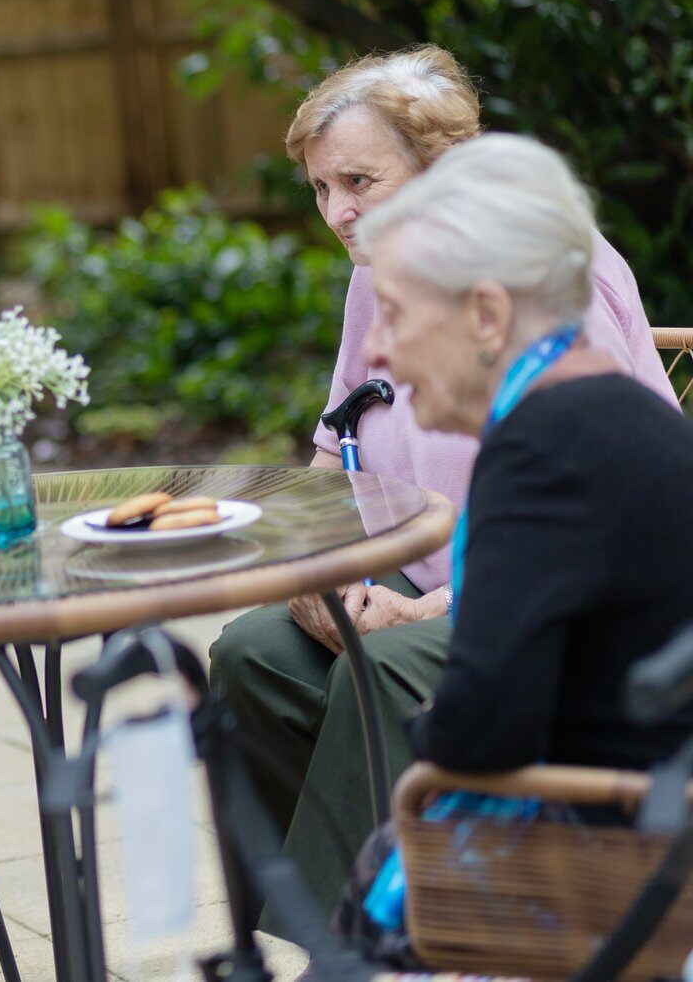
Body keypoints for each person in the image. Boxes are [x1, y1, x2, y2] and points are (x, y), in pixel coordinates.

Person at [207, 45, 680, 920]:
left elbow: (589, 519)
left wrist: (426, 613)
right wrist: (323, 565)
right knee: (254, 654)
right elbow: (333, 444)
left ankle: (402, 930)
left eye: (356, 180)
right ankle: (345, 923)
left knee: (380, 669)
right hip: (419, 567)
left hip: (531, 592)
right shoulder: (377, 275)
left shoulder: (542, 285)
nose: (337, 212)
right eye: (320, 189)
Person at [330, 133, 693, 964]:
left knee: (383, 877)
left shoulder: (540, 452)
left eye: (397, 312)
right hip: (652, 818)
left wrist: (433, 733)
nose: (377, 352)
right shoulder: (618, 418)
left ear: (487, 315)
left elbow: (484, 733)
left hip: (623, 860)